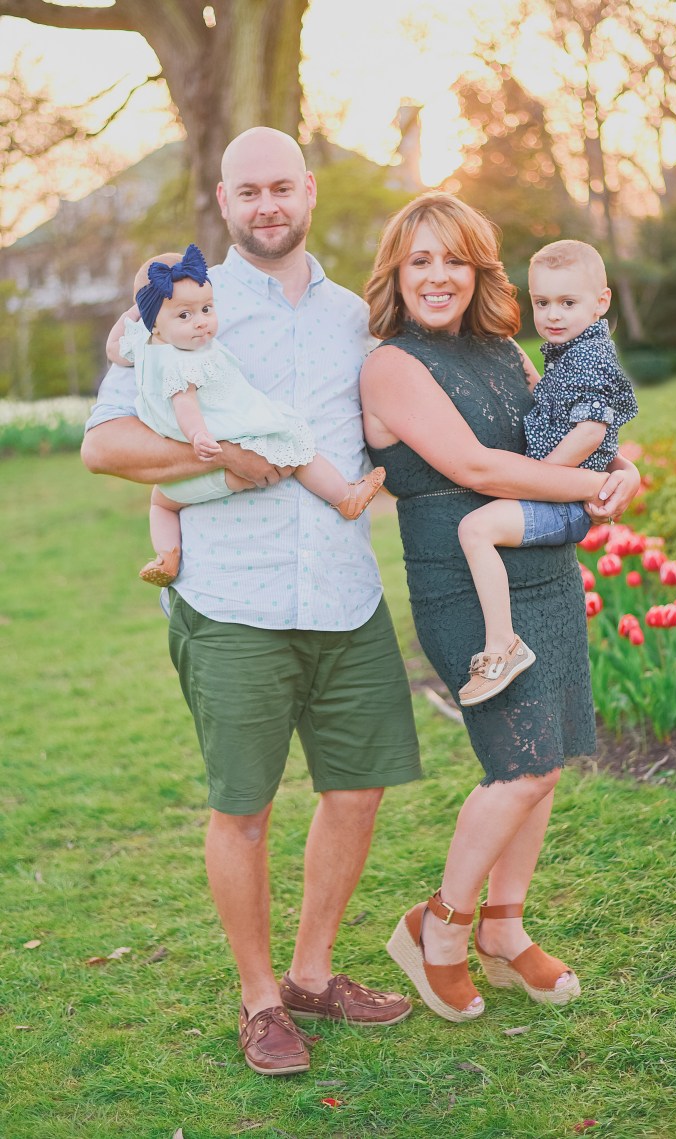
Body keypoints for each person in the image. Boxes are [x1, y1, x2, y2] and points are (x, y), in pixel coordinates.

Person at [81, 127, 422, 1075]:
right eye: (248, 191)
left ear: (308, 192)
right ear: (223, 201)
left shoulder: (357, 314)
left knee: (357, 790)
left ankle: (314, 974)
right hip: (233, 600)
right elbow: (104, 445)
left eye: (282, 187)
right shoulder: (181, 307)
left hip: (347, 595)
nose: (267, 204)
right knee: (245, 805)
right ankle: (262, 999)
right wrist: (221, 465)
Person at [360, 192, 639, 1023]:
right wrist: (593, 485)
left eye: (454, 258)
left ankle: (504, 929)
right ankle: (436, 927)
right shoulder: (390, 364)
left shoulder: (507, 350)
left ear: (477, 269)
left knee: (546, 758)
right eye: (420, 260)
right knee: (519, 764)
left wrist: (619, 471)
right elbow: (480, 467)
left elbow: (568, 435)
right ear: (398, 274)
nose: (438, 275)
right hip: (462, 580)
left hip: (544, 568)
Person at [105, 243, 385, 585]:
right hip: (229, 432)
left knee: (162, 503)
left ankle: (167, 556)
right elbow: (185, 404)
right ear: (156, 324)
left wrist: (138, 310)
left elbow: (113, 346)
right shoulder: (185, 359)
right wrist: (199, 436)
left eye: (207, 309)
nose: (200, 323)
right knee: (298, 449)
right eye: (184, 315)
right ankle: (345, 496)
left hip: (198, 457)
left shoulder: (146, 349)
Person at [456, 238, 638, 706]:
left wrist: (540, 477)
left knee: (476, 530)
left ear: (601, 303)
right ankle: (503, 643)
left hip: (566, 501)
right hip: (563, 492)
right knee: (479, 528)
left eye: (567, 302)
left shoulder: (591, 357)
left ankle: (503, 645)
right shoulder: (569, 350)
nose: (552, 315)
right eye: (542, 302)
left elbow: (591, 431)